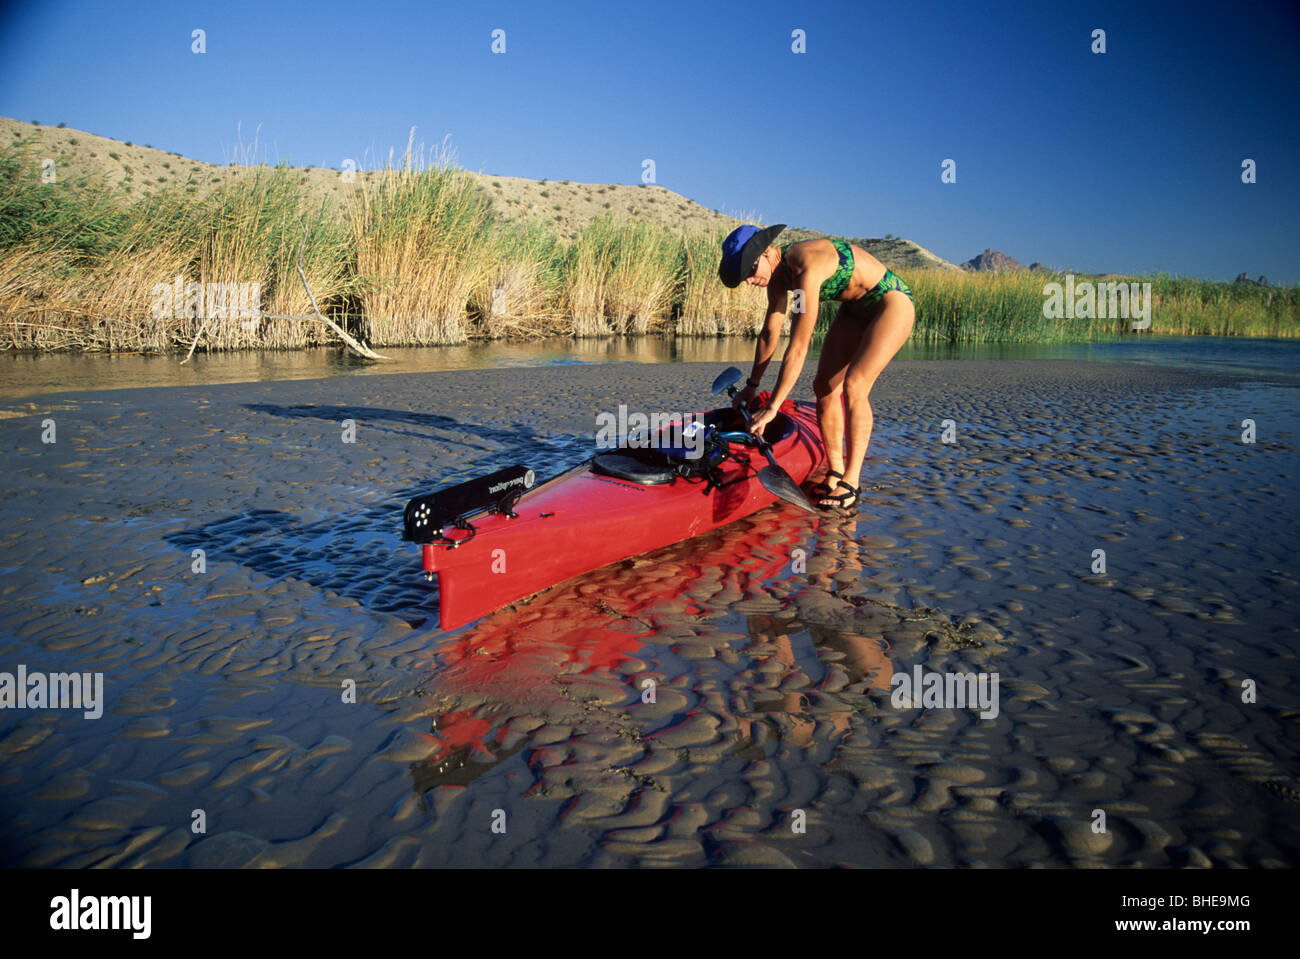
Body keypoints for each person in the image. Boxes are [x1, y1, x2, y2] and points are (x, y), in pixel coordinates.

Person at [718, 224, 914, 512]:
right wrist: (752, 385)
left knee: (855, 386)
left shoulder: (804, 269)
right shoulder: (777, 277)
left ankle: (852, 481)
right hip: (854, 310)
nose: (748, 280)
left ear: (766, 252)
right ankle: (835, 471)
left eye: (749, 270)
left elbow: (799, 346)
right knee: (823, 386)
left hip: (890, 303)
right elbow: (769, 334)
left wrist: (774, 407)